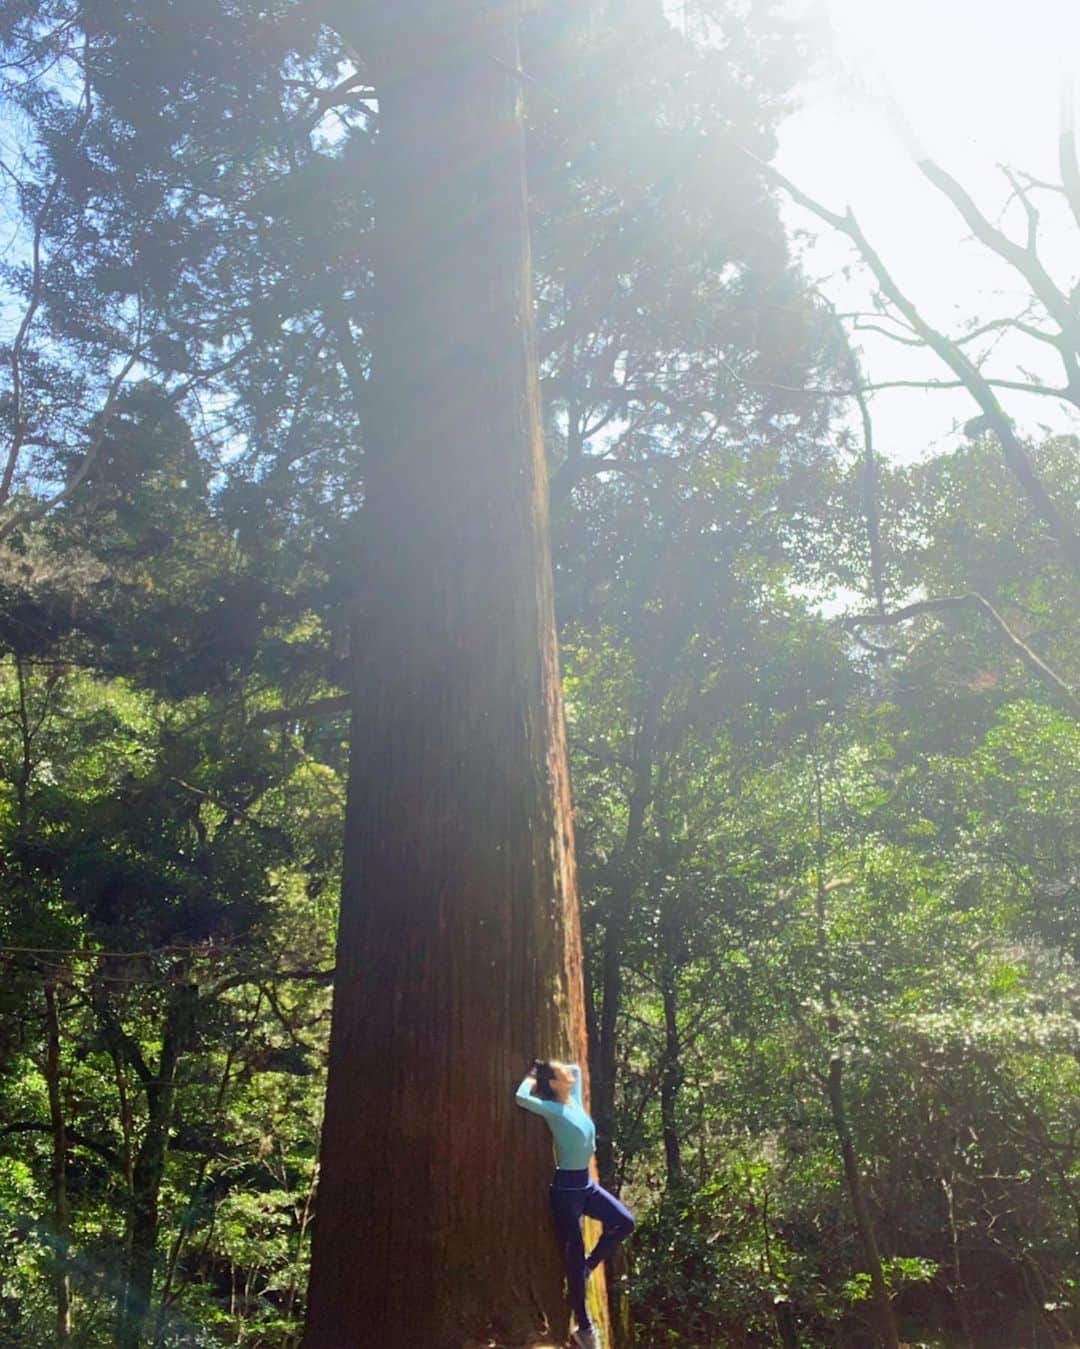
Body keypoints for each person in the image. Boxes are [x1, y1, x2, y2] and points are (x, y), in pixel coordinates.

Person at [514, 1059, 635, 1349]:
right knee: (574, 1254)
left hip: (587, 1188)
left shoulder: (574, 1100)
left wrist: (549, 1066)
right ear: (555, 1085)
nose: (570, 1074)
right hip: (565, 1193)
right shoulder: (554, 1110)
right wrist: (535, 1075)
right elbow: (521, 1097)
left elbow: (578, 1070)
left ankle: (586, 1270)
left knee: (625, 1222)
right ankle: (584, 1327)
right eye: (562, 1074)